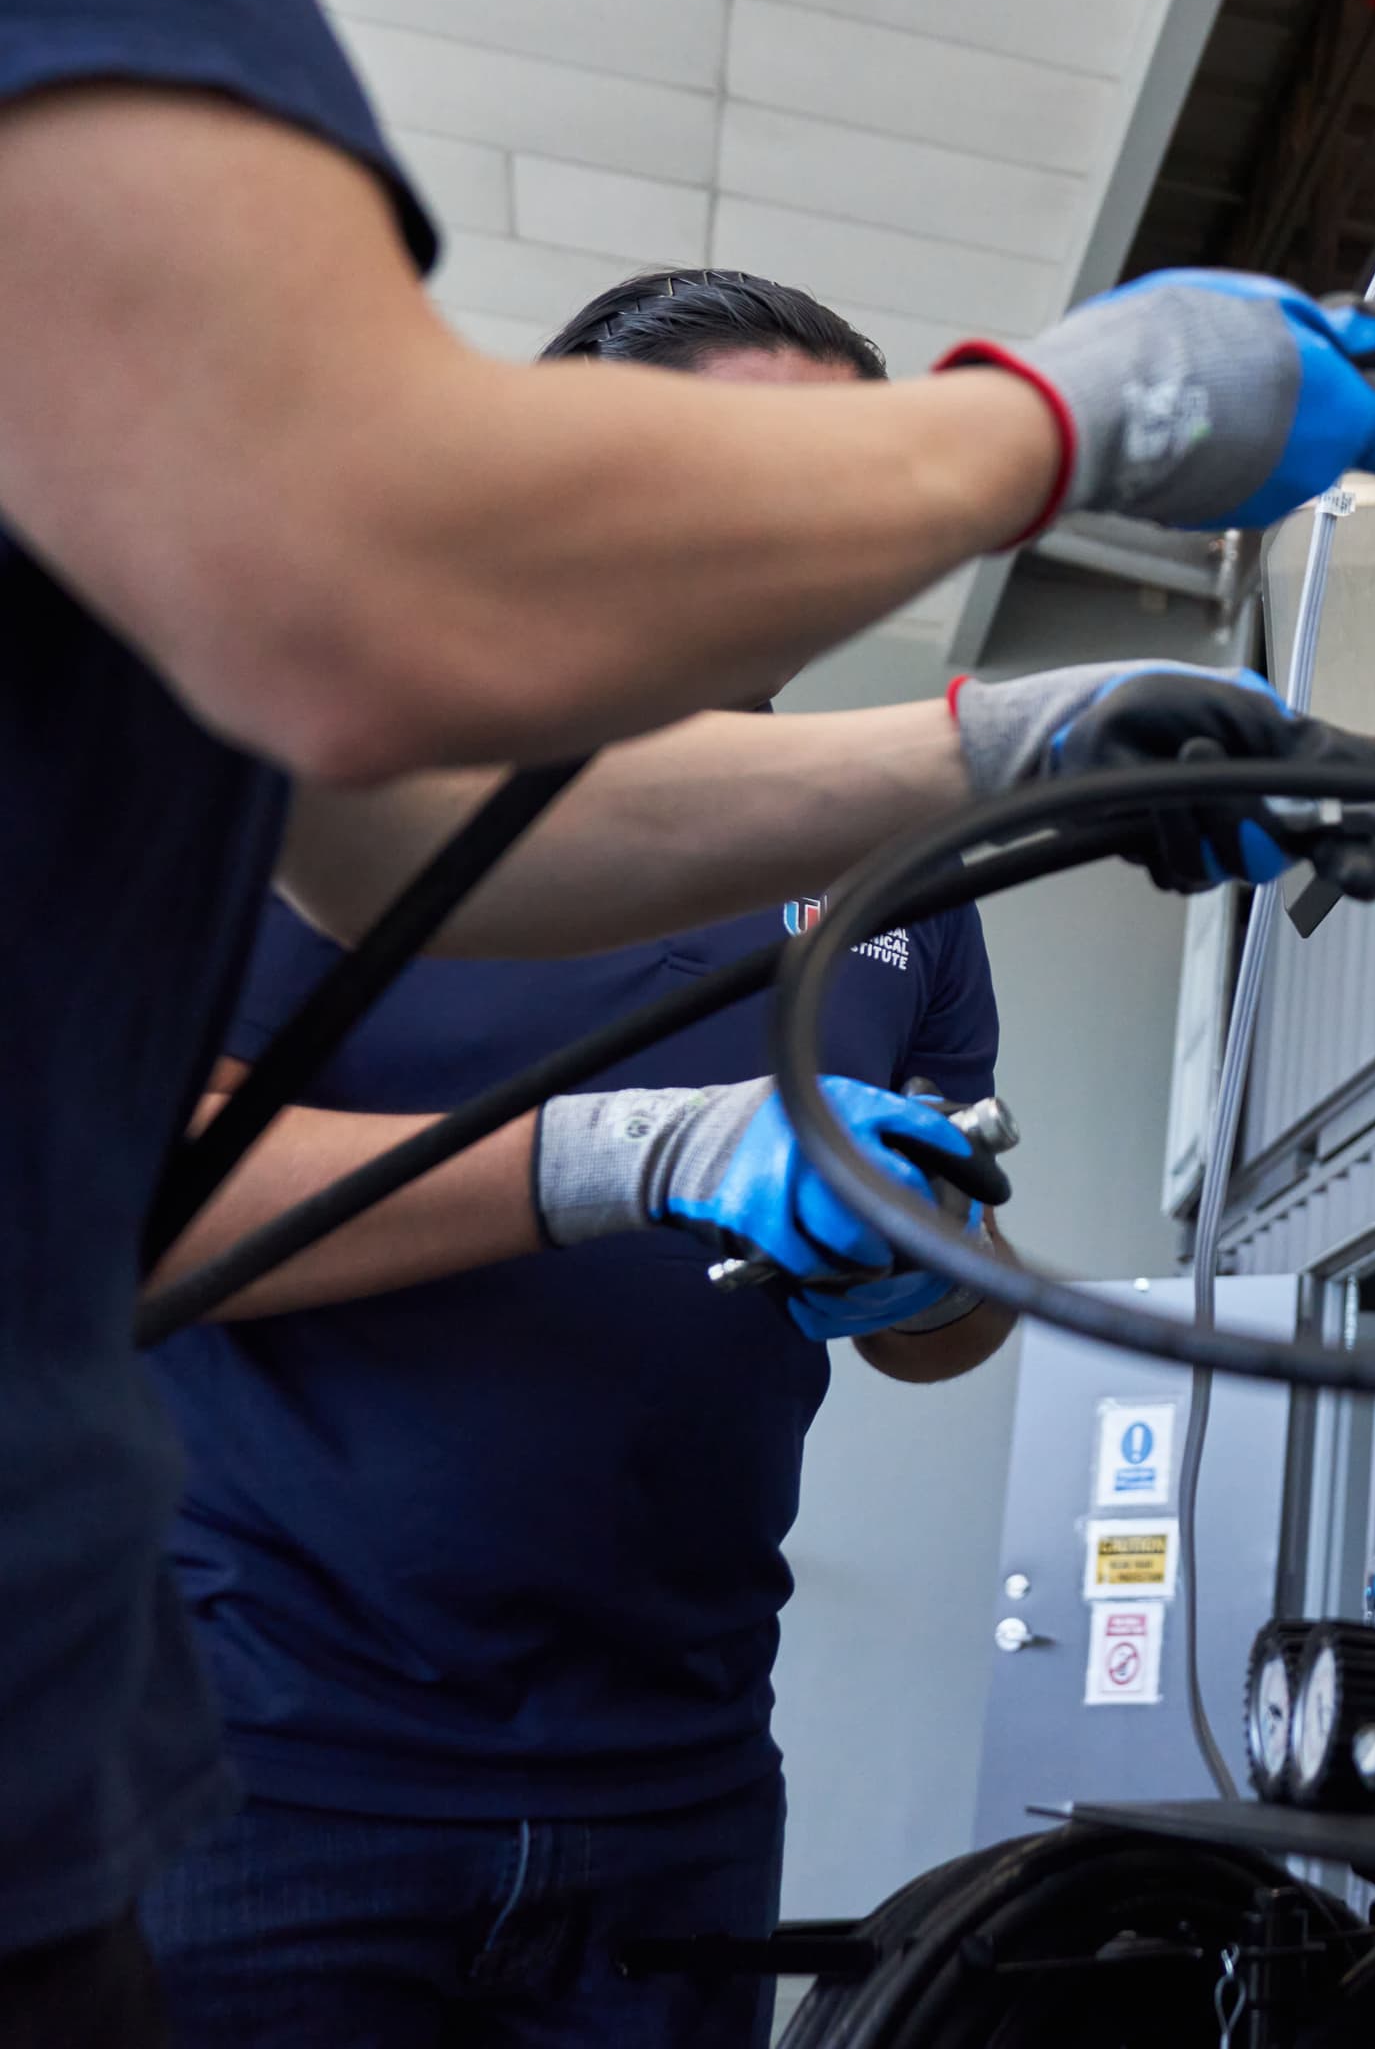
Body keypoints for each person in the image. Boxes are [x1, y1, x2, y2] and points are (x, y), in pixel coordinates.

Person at [0, 0, 1375, 2034]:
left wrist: (1018, 743)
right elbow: (369, 595)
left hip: (340, 1756)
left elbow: (418, 819)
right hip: (278, 1758)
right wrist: (1065, 422)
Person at [135, 273, 1016, 2049]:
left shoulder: (890, 861)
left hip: (672, 1798)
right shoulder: (336, 775)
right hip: (263, 1774)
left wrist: (919, 1269)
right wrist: (632, 1150)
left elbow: (954, 1322)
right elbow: (140, 1211)